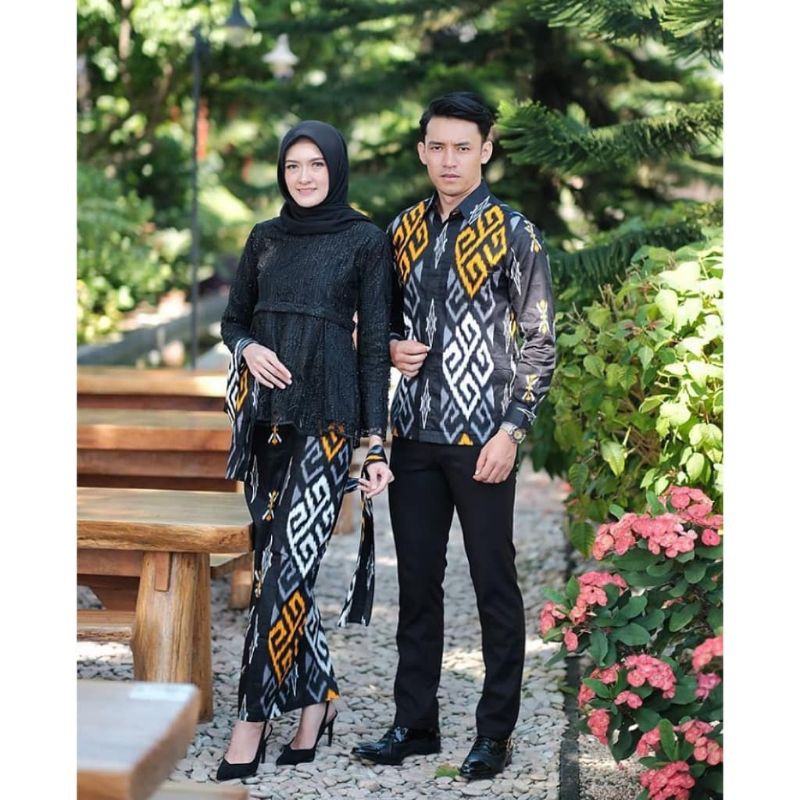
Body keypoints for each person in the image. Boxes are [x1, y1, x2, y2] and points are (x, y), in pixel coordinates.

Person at [351, 92, 556, 780]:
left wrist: (512, 431)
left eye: (463, 147)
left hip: (483, 442)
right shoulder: (402, 229)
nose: (449, 160)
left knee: (495, 584)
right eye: (437, 147)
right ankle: (415, 724)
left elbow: (540, 343)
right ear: (422, 151)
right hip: (413, 435)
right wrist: (390, 347)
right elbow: (377, 322)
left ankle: (494, 734)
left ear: (485, 150)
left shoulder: (515, 233)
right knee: (417, 586)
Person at [217, 120, 394, 781]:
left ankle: (250, 720)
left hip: (327, 423)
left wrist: (374, 444)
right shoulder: (264, 237)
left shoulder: (365, 241)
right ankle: (318, 700)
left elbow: (374, 350)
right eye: (293, 165)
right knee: (276, 574)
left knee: (288, 570)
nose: (304, 176)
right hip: (265, 425)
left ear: (336, 168)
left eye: (316, 163)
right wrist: (247, 348)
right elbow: (233, 319)